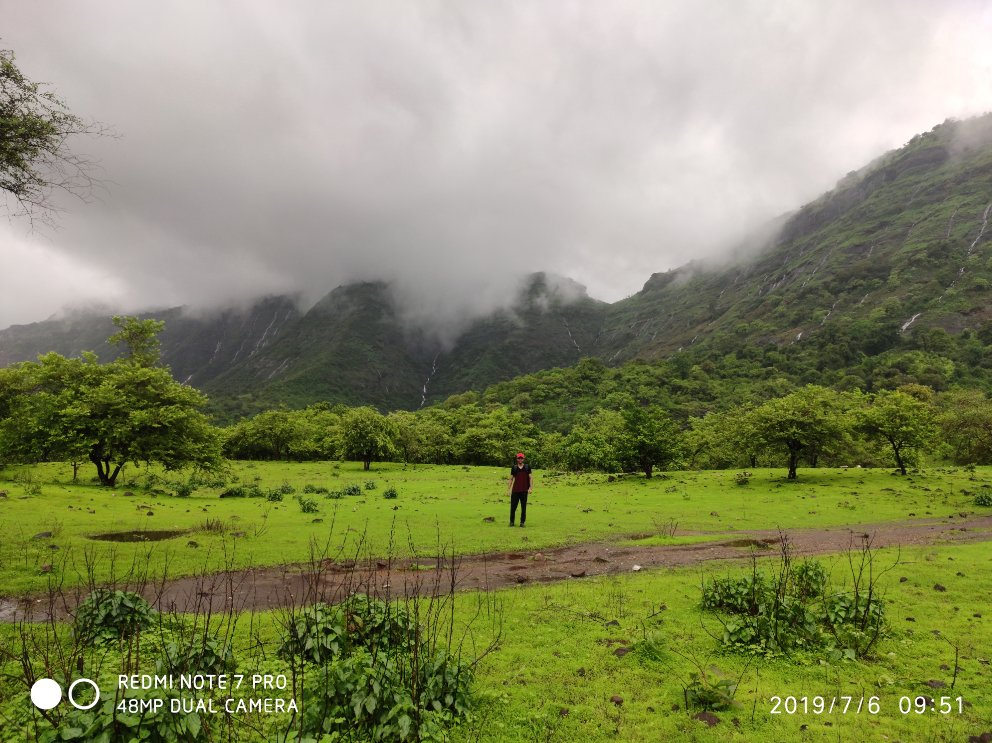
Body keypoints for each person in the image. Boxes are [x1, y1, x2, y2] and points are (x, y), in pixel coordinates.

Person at [507, 452, 532, 527]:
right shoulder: (514, 468)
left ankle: (522, 522)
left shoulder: (527, 467)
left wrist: (530, 488)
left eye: (521, 458)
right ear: (517, 459)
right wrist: (508, 490)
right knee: (513, 507)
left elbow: (531, 478)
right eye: (519, 458)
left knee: (523, 507)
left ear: (523, 459)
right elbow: (511, 479)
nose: (520, 459)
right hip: (515, 491)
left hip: (524, 490)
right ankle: (512, 522)